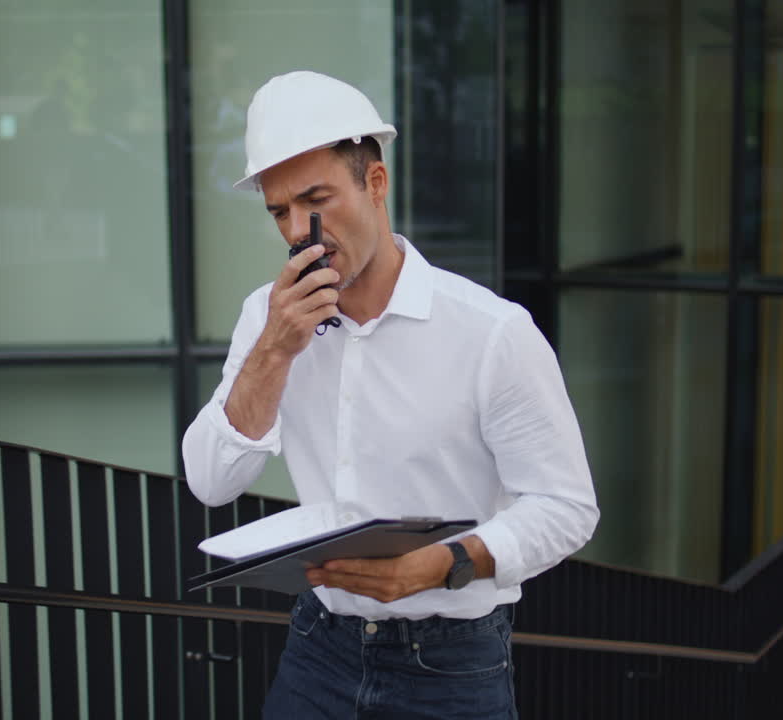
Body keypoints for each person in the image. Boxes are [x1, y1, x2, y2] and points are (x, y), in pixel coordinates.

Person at [182, 70, 599, 719]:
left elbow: (566, 508)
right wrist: (274, 351)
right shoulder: (267, 319)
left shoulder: (491, 332)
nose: (297, 230)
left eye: (315, 199)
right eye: (279, 211)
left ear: (375, 182)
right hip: (319, 649)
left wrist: (443, 563)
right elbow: (212, 482)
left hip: (452, 665)